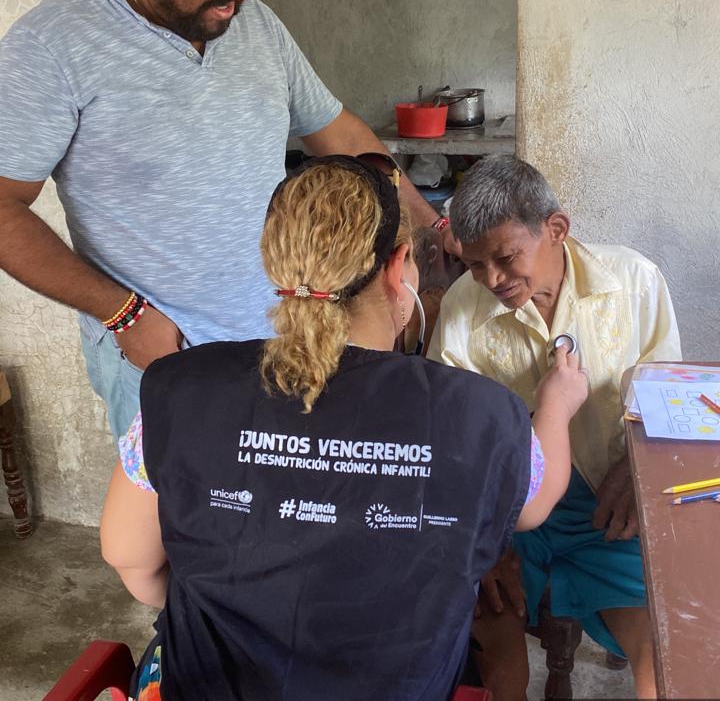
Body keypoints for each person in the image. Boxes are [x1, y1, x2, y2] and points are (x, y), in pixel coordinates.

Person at [0, 0, 445, 440]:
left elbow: (338, 134)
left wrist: (432, 226)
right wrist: (123, 314)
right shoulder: (52, 47)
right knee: (168, 507)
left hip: (285, 345)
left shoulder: (255, 25)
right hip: (162, 358)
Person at [100, 154, 589, 701]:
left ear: (276, 267)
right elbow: (533, 504)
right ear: (398, 266)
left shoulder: (183, 389)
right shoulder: (481, 413)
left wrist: (234, 613)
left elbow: (128, 556)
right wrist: (556, 405)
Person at [427, 156, 682, 700]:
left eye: (505, 258)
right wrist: (484, 544)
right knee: (496, 675)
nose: (491, 280)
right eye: (474, 264)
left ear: (556, 229)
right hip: (507, 522)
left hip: (607, 512)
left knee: (664, 668)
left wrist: (633, 469)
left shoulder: (634, 283)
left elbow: (668, 402)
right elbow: (450, 446)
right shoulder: (462, 309)